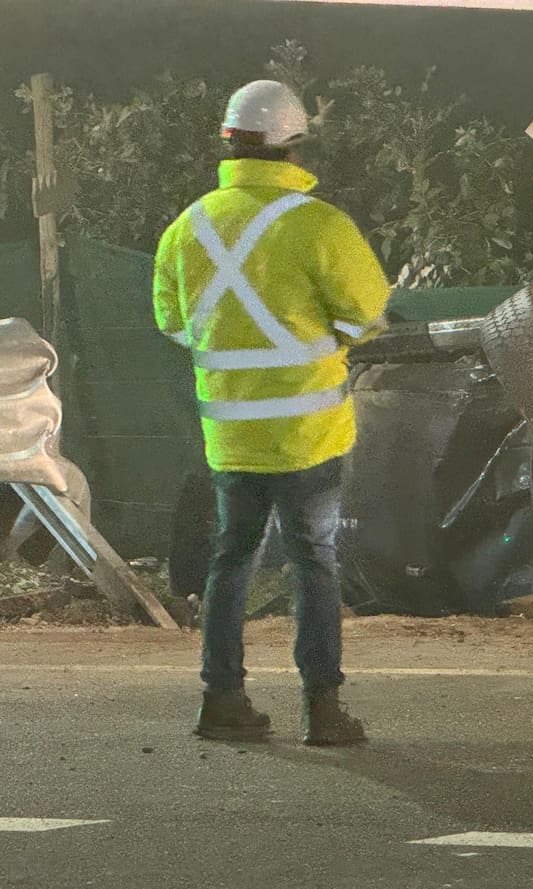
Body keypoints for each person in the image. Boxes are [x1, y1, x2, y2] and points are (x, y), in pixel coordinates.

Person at [153, 80, 390, 741]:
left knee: (232, 559)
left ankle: (221, 700)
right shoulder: (319, 225)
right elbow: (367, 314)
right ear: (294, 144)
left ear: (229, 141)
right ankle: (323, 709)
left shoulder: (188, 227)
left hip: (230, 435)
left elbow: (173, 323)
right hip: (309, 434)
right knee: (314, 560)